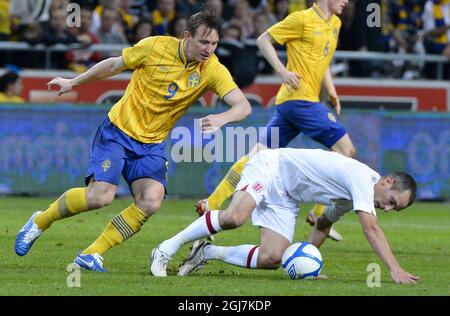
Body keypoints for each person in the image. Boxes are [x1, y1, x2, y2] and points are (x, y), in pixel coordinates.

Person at [14, 10, 252, 272]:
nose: (209, 49)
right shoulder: (155, 47)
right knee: (100, 197)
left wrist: (223, 118)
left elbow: (243, 106)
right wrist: (74, 81)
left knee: (151, 201)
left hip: (152, 145)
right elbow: (114, 65)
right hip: (118, 131)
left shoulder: (212, 69)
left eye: (214, 43)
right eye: (204, 42)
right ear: (187, 37)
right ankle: (41, 221)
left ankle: (92, 253)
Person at [195, 0, 355, 242]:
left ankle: (211, 203)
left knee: (256, 157)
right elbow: (263, 40)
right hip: (300, 101)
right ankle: (320, 214)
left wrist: (331, 90)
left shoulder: (335, 22)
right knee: (347, 151)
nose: (345, 1)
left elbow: (324, 61)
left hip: (292, 104)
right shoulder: (302, 19)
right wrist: (283, 71)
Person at [151, 148, 419, 284]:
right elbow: (371, 229)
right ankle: (166, 248)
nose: (387, 209)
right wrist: (394, 268)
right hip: (271, 168)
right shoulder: (362, 178)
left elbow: (323, 224)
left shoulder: (354, 196)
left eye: (394, 209)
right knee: (235, 218)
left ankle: (206, 253)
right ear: (387, 181)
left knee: (273, 258)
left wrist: (309, 260)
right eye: (392, 202)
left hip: (286, 197)